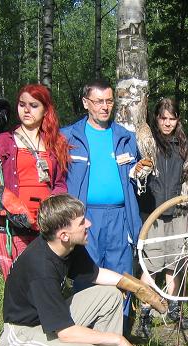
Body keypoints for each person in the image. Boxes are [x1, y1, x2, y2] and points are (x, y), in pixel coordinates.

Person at [0, 194, 166, 346]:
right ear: (64, 235)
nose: (89, 223)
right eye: (81, 222)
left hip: (47, 322)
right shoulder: (41, 269)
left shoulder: (67, 246)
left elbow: (95, 274)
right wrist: (118, 339)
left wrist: (137, 287)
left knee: (110, 294)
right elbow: (66, 332)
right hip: (22, 334)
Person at [62, 79, 144, 330]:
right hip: (85, 218)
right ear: (86, 103)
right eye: (98, 101)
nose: (105, 107)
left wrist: (141, 172)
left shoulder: (126, 138)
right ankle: (85, 333)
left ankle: (117, 334)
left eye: (109, 101)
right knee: (87, 273)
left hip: (120, 217)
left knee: (121, 274)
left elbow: (136, 175)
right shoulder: (68, 137)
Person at [0, 83, 69, 279]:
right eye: (22, 104)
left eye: (33, 105)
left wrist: (53, 208)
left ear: (45, 110)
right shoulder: (3, 141)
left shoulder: (55, 143)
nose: (26, 110)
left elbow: (59, 183)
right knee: (19, 288)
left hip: (46, 228)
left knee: (46, 285)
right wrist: (7, 201)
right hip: (12, 229)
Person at [136, 98, 188, 336]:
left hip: (179, 212)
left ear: (178, 119)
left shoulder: (185, 145)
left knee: (175, 261)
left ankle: (173, 309)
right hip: (154, 211)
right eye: (163, 118)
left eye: (172, 118)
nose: (168, 123)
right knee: (151, 264)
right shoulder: (148, 143)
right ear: (156, 118)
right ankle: (145, 314)